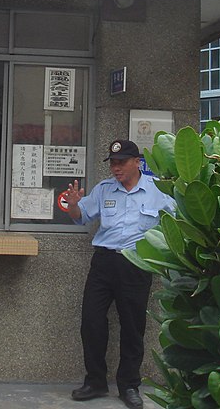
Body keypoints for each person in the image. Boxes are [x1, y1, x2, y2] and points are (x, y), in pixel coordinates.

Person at [66, 139, 174, 409]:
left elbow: (178, 221)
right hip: (103, 262)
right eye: (112, 163)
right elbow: (81, 216)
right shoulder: (104, 190)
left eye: (121, 162)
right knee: (91, 321)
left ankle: (129, 385)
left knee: (132, 328)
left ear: (137, 162)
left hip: (136, 264)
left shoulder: (157, 190)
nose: (115, 168)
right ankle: (95, 381)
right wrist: (74, 205)